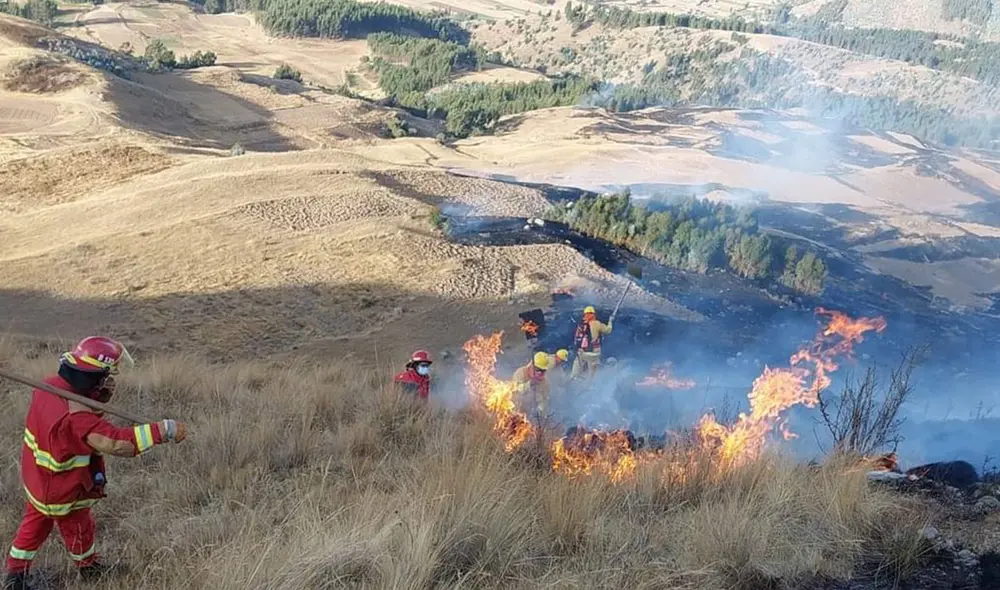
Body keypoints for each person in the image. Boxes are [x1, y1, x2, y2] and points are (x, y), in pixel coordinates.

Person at [4, 337, 187, 590]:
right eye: (107, 376)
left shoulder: (49, 386)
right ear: (92, 377)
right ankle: (29, 576)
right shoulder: (77, 418)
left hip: (38, 477)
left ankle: (31, 571)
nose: (111, 381)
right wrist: (163, 430)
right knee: (65, 526)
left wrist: (96, 399)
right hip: (60, 490)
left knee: (47, 525)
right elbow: (116, 443)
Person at [570, 305, 613, 381]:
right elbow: (608, 330)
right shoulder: (596, 323)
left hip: (582, 351)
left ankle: (573, 379)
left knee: (576, 368)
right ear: (593, 314)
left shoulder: (581, 325)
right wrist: (610, 321)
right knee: (592, 372)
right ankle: (589, 385)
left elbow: (576, 339)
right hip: (593, 351)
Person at [512, 352, 550, 422]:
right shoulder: (521, 373)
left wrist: (539, 410)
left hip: (528, 417)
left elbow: (544, 400)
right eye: (538, 369)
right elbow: (515, 390)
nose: (540, 373)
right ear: (532, 365)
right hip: (514, 410)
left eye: (543, 371)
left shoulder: (544, 383)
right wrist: (529, 384)